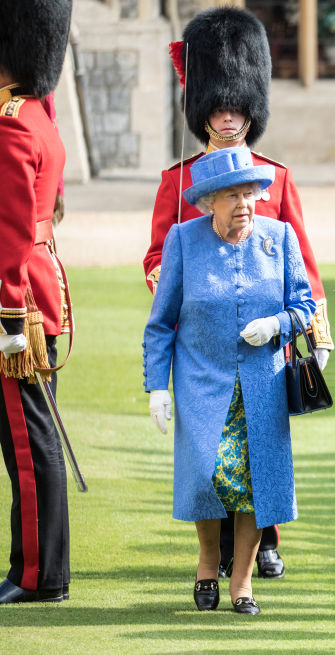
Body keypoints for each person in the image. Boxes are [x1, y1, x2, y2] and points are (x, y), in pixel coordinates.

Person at [145, 7, 331, 578]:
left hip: (266, 335)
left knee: (261, 443)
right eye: (218, 107)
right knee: (208, 449)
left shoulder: (276, 174)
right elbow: (157, 256)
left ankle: (263, 541)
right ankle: (216, 550)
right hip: (201, 335)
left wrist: (315, 328)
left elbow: (300, 256)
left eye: (237, 107)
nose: (228, 118)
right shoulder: (179, 182)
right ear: (202, 109)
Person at [143, 146, 316, 614]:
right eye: (232, 195)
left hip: (262, 384)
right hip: (202, 381)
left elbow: (305, 306)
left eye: (250, 193)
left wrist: (276, 326)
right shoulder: (182, 240)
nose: (244, 203)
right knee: (208, 476)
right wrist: (157, 385)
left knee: (254, 484)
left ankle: (242, 583)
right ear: (209, 202)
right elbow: (161, 322)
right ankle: (207, 560)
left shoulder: (279, 237)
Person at [0, 0, 73, 604]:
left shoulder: (12, 121)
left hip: (13, 302)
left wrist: (7, 320)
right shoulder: (37, 115)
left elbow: (12, 231)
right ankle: (36, 565)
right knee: (31, 432)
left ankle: (38, 574)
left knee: (27, 441)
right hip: (35, 290)